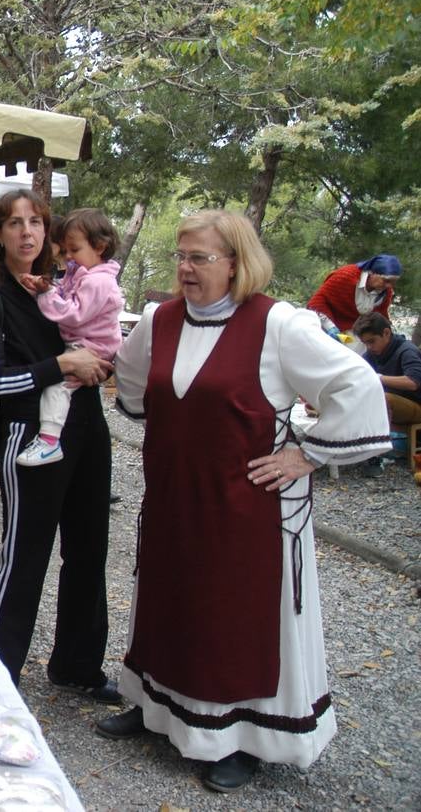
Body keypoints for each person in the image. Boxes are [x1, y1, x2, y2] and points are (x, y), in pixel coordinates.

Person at [103, 210, 390, 793]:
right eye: (181, 256)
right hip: (175, 496)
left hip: (247, 508)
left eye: (199, 258)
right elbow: (133, 388)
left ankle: (242, 736)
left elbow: (355, 385)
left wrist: (305, 454)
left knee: (232, 616)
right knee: (168, 599)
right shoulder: (159, 320)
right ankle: (158, 709)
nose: (185, 268)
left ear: (237, 263)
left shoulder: (278, 324)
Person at [0, 189, 116, 699]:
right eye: (14, 223)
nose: (26, 232)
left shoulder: (68, 284)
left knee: (89, 549)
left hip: (88, 426)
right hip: (30, 431)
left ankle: (77, 665)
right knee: (24, 555)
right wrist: (62, 365)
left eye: (35, 222)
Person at [16, 209, 123, 466]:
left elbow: (74, 314)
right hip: (84, 342)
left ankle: (49, 441)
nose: (68, 257)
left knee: (58, 385)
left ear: (99, 246)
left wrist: (45, 296)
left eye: (73, 250)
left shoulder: (99, 281)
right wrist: (46, 288)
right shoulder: (84, 272)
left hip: (91, 346)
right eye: (66, 251)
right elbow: (64, 293)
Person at [353, 311, 421, 477]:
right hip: (393, 406)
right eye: (365, 343)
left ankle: (378, 454)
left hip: (416, 406)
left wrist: (379, 378)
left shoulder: (407, 350)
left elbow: (413, 382)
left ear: (386, 333)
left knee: (381, 398)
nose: (369, 347)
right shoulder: (372, 353)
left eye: (371, 341)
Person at [306, 254, 401, 335]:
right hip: (324, 325)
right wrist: (330, 327)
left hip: (354, 335)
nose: (389, 286)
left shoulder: (386, 293)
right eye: (386, 281)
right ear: (372, 273)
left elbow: (379, 318)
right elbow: (316, 303)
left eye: (393, 282)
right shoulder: (345, 276)